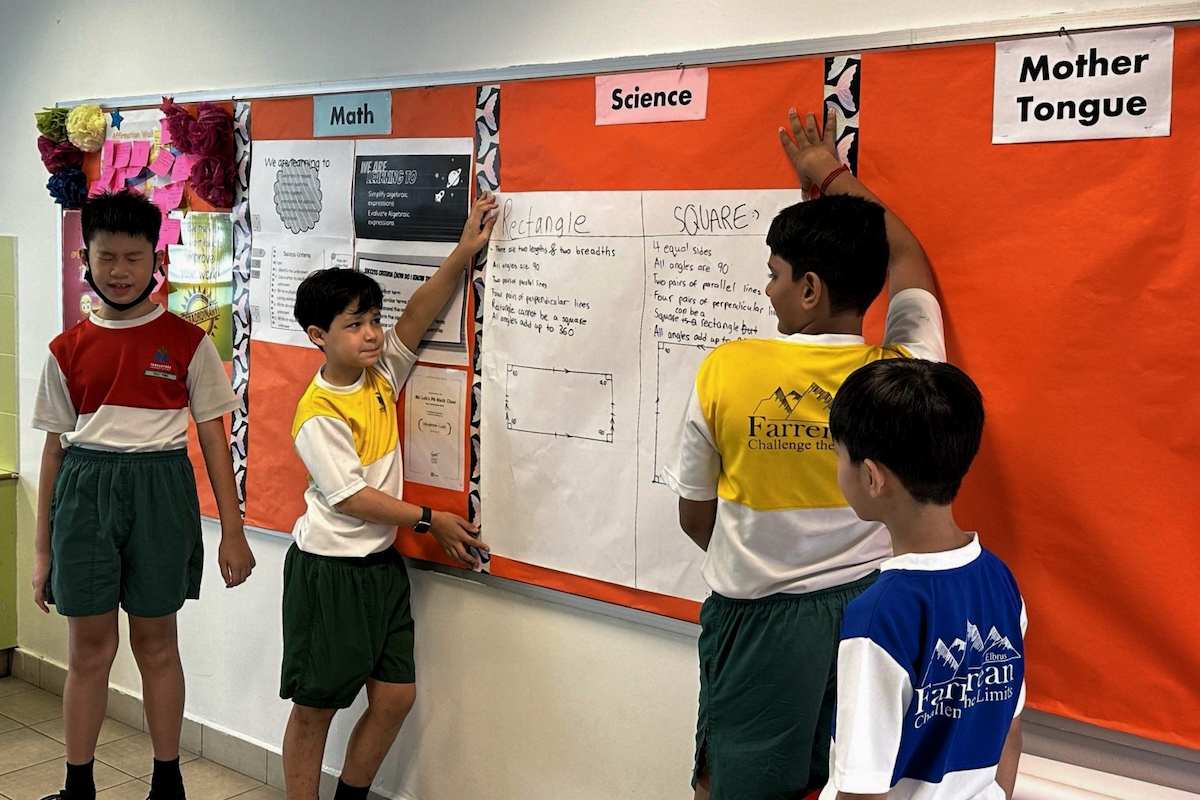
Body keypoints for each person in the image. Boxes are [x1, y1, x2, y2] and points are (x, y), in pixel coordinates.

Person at [663, 107, 946, 799]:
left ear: (810, 288)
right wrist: (831, 175)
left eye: (775, 274)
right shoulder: (905, 373)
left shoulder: (727, 369)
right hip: (870, 606)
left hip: (760, 617)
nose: (768, 289)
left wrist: (758, 557)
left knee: (732, 780)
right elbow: (908, 255)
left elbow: (695, 517)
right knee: (838, 779)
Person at [32, 189, 255, 800]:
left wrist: (233, 531)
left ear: (157, 261)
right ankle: (78, 787)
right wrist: (42, 552)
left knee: (157, 645)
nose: (120, 271)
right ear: (86, 258)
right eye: (106, 257)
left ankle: (167, 784)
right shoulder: (65, 350)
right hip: (84, 495)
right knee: (89, 651)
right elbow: (53, 452)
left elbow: (214, 441)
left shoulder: (188, 342)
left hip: (161, 492)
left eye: (134, 258)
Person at [281, 193, 498, 800]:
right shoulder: (317, 411)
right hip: (329, 571)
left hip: (379, 568)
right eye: (355, 325)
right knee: (315, 709)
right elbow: (350, 498)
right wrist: (430, 519)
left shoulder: (378, 376)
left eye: (373, 320)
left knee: (396, 696)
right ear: (318, 336)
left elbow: (419, 314)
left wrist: (463, 252)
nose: (372, 334)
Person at [822, 358, 1025, 800]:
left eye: (837, 455)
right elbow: (1009, 732)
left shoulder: (878, 617)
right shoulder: (1001, 582)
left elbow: (861, 791)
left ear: (872, 477)